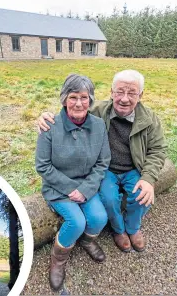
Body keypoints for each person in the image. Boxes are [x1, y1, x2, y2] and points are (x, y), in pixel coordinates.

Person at [37, 69, 167, 254]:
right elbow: (73, 107)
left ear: (141, 95)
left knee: (142, 196)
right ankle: (118, 230)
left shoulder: (150, 119)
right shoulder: (98, 111)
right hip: (107, 170)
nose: (124, 98)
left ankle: (132, 228)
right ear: (111, 92)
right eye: (119, 92)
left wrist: (148, 178)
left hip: (133, 169)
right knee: (108, 198)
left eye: (132, 93)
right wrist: (45, 116)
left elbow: (158, 149)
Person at [36, 73, 111, 291]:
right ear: (64, 99)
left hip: (87, 184)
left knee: (99, 217)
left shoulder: (98, 126)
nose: (79, 103)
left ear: (91, 100)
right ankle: (58, 261)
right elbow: (43, 166)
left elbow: (103, 161)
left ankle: (86, 241)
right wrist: (72, 189)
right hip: (58, 187)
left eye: (84, 97)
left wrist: (86, 189)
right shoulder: (49, 126)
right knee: (76, 222)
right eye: (73, 97)